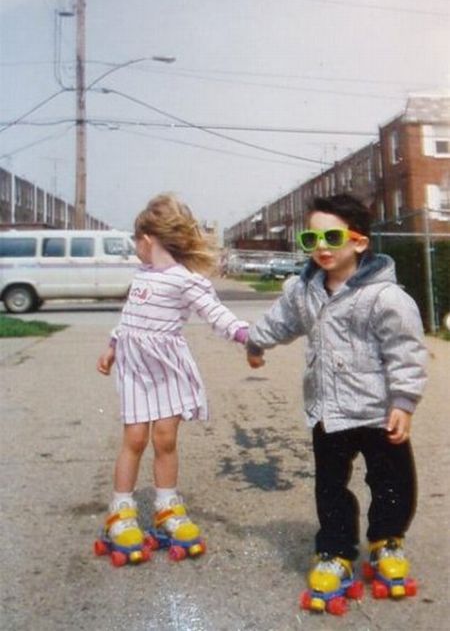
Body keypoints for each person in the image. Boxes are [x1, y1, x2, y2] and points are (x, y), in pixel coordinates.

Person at [246, 194, 427, 610]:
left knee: (391, 481)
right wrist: (257, 341)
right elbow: (281, 321)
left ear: (359, 242)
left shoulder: (386, 298)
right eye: (312, 237)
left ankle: (387, 541)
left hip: (379, 410)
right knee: (330, 485)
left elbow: (406, 351)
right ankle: (336, 549)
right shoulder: (303, 291)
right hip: (327, 408)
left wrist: (403, 401)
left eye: (331, 236)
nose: (321, 246)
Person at [97, 193, 248, 562]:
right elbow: (129, 318)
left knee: (165, 439)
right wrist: (113, 345)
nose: (136, 247)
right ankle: (121, 509)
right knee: (134, 438)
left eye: (136, 241)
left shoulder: (185, 280)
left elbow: (216, 313)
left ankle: (166, 505)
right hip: (135, 368)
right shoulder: (141, 277)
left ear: (147, 239)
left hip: (166, 369)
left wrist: (245, 335)